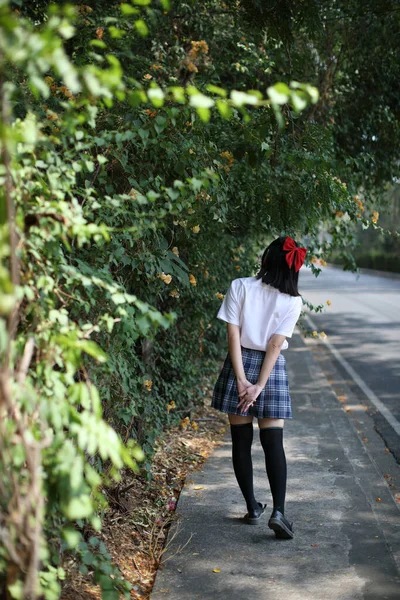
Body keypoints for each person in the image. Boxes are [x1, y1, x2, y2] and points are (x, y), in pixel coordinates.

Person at [211, 236, 307, 539]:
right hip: (271, 369)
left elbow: (233, 336)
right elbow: (275, 346)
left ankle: (253, 507)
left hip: (239, 363)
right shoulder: (293, 301)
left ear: (266, 259)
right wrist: (260, 385)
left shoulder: (240, 286)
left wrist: (241, 380)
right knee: (273, 442)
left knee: (241, 441)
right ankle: (278, 512)